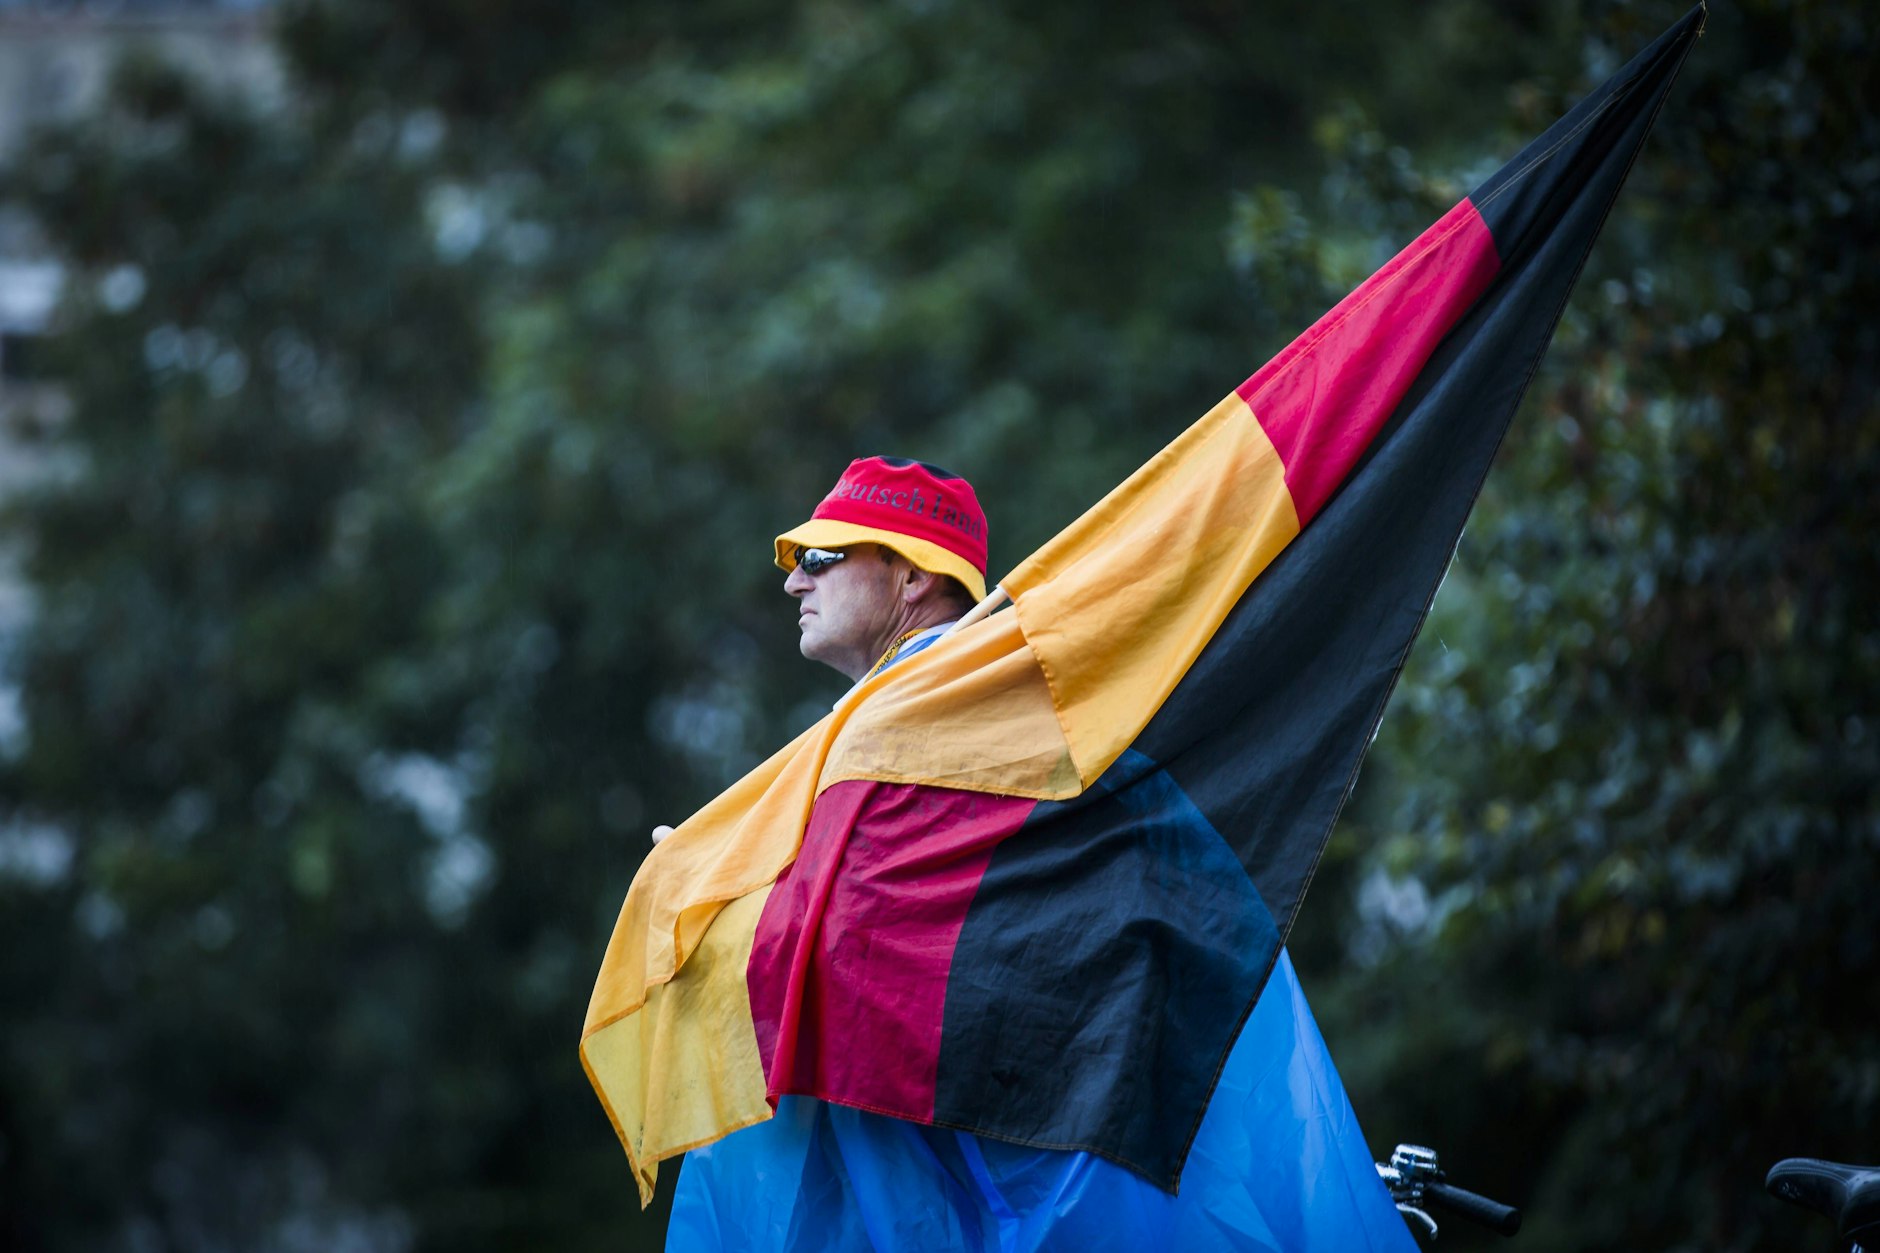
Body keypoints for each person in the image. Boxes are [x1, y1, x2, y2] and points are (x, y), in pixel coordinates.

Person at [660, 457, 1414, 1252]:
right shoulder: (1023, 708)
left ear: (911, 576)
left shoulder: (911, 727)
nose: (793, 584)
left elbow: (851, 951)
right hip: (1089, 1149)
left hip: (1017, 1178)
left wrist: (721, 911)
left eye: (819, 558)